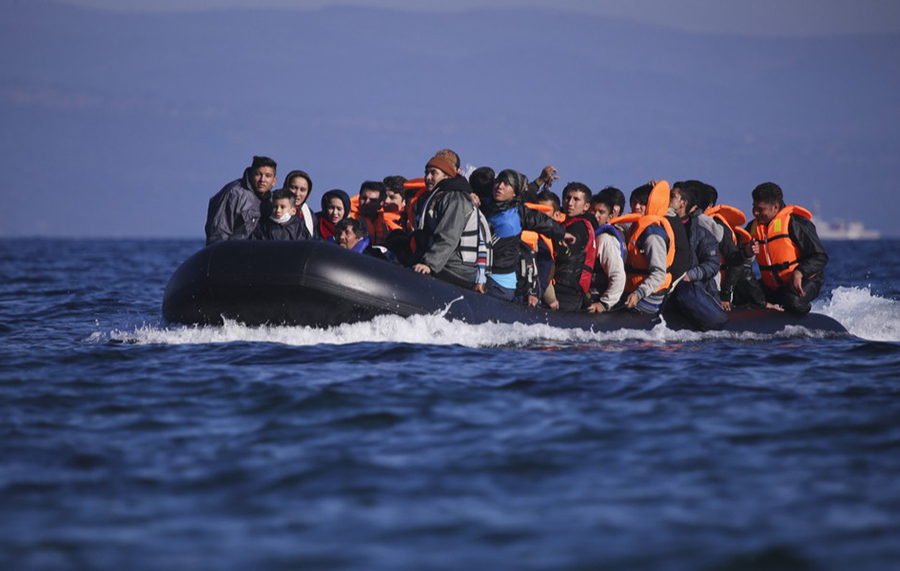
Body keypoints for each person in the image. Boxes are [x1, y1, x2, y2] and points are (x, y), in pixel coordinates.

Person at [481, 169, 570, 304]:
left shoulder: (519, 213)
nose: (500, 186)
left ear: (515, 192)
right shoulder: (486, 205)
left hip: (500, 283)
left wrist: (561, 233)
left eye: (506, 184)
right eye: (498, 181)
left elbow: (541, 221)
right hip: (484, 275)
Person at [741, 182, 828, 314]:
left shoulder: (797, 223)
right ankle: (768, 307)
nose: (755, 213)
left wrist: (800, 272)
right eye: (754, 207)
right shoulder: (752, 228)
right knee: (739, 294)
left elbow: (820, 256)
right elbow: (736, 254)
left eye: (760, 209)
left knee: (793, 303)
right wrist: (746, 251)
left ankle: (803, 312)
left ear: (775, 207)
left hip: (802, 281)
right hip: (772, 286)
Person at [411, 150, 489, 291]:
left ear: (446, 176)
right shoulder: (435, 197)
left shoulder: (455, 199)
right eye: (426, 173)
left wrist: (429, 264)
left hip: (455, 269)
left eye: (433, 173)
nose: (428, 177)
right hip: (444, 263)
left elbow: (448, 236)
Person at [612, 181, 689, 314]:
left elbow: (659, 274)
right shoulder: (637, 227)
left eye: (642, 203)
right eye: (634, 202)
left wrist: (638, 294)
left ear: (651, 204)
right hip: (634, 292)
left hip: (649, 297)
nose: (636, 206)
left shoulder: (653, 234)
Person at [668, 181, 728, 330]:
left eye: (672, 196)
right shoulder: (662, 227)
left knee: (685, 291)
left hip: (693, 288)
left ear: (683, 203)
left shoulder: (701, 232)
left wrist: (691, 275)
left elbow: (713, 263)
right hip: (667, 291)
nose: (667, 199)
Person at [205, 155, 277, 245]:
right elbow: (218, 234)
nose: (262, 180)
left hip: (257, 254)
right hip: (232, 253)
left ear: (274, 181)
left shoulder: (274, 201)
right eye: (258, 174)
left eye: (268, 176)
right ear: (251, 174)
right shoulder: (234, 193)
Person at [553, 182, 599, 311]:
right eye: (567, 198)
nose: (570, 203)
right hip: (569, 291)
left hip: (566, 291)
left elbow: (565, 252)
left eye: (576, 199)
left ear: (586, 206)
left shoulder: (579, 227)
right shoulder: (570, 224)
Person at [585, 190, 627, 314]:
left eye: (601, 212)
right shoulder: (588, 234)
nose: (595, 215)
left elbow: (618, 276)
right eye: (593, 210)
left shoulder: (605, 240)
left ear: (609, 217)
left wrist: (604, 304)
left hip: (597, 299)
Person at [354, 181, 392, 245]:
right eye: (364, 198)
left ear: (381, 204)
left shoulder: (385, 225)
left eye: (372, 200)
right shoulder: (350, 219)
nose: (366, 202)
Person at [283, 170, 314, 240]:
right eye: (294, 188)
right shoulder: (272, 208)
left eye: (302, 190)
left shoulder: (309, 216)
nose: (297, 193)